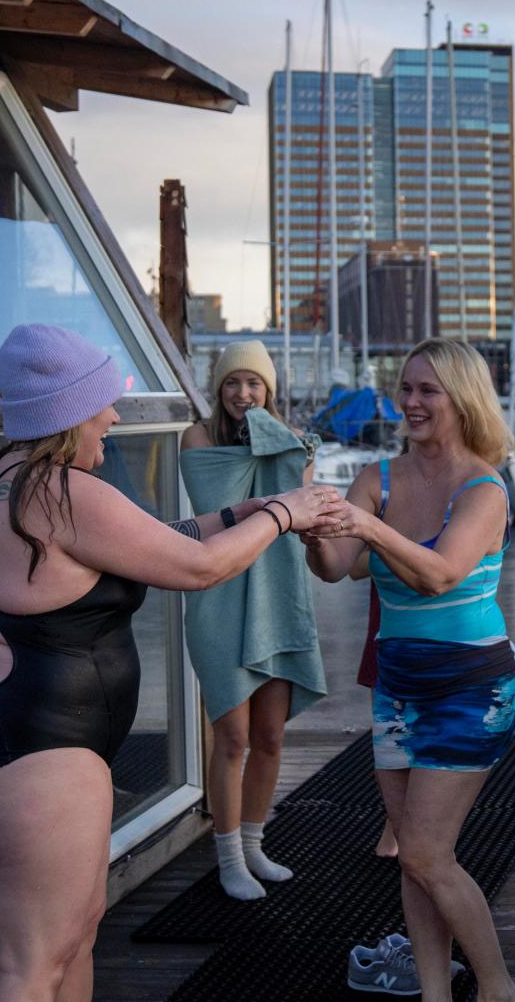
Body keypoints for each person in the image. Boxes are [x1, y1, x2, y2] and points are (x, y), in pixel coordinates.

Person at [0, 324, 344, 1002]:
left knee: (75, 936)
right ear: (65, 412)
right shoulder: (57, 492)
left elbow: (164, 539)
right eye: (102, 403)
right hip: (36, 751)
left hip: (42, 744)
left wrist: (245, 508)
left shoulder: (23, 482)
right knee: (35, 962)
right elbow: (196, 567)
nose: (112, 416)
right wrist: (284, 510)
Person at [304, 338, 515, 1002]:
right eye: (405, 388)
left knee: (427, 852)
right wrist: (313, 527)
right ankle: (432, 992)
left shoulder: (483, 486)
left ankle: (497, 989)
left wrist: (366, 530)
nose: (410, 401)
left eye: (428, 390)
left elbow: (437, 574)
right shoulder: (379, 478)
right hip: (399, 691)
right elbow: (337, 569)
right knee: (412, 856)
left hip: (473, 689)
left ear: (462, 398)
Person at [179, 341, 326, 900]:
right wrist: (283, 444)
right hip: (220, 593)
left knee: (269, 736)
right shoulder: (198, 437)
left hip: (278, 591)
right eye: (233, 384)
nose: (244, 395)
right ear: (218, 389)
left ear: (271, 390)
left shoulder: (293, 443)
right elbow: (224, 512)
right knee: (233, 737)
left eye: (255, 385)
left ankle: (256, 846)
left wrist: (284, 442)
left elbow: (300, 509)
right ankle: (228, 859)